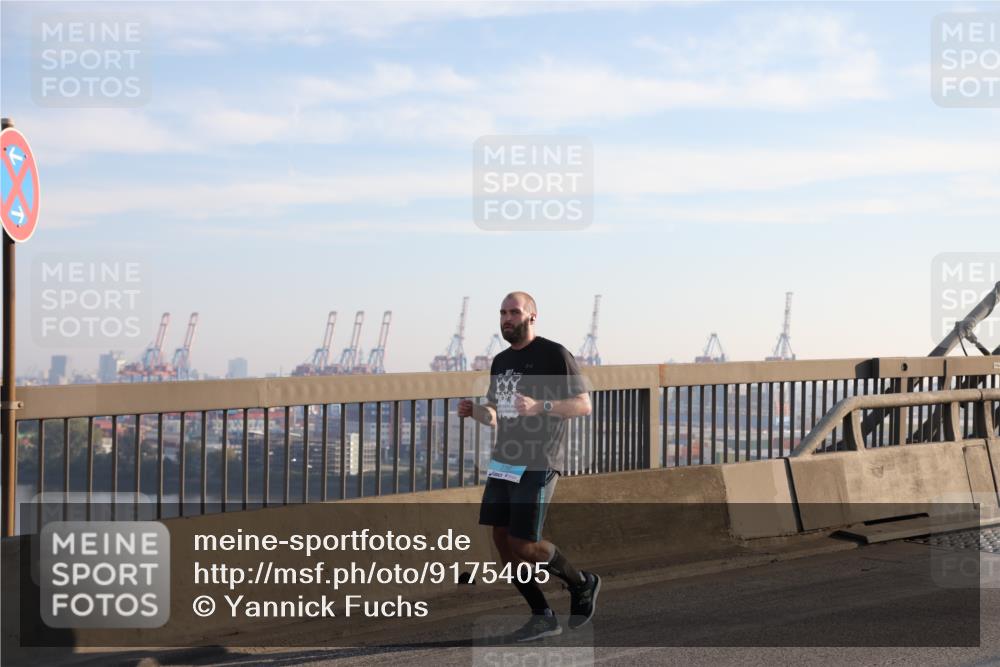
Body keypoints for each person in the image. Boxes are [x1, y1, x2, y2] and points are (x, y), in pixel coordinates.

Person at [457, 291, 600, 642]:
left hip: (540, 460)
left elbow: (583, 405)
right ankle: (542, 615)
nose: (507, 318)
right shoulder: (501, 361)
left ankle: (582, 583)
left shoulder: (554, 354)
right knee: (502, 541)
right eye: (503, 312)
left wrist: (540, 406)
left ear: (532, 317)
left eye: (514, 312)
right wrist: (475, 412)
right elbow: (496, 412)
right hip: (505, 460)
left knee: (524, 544)